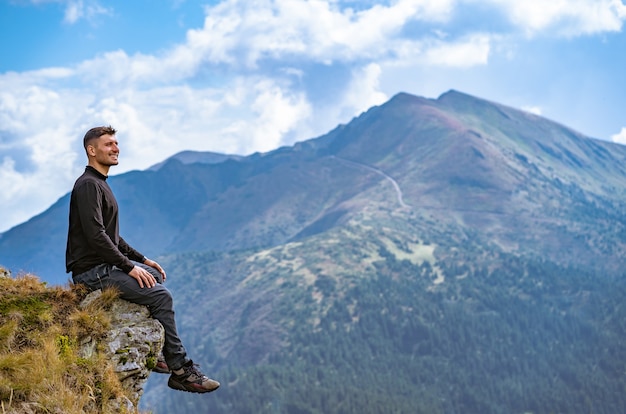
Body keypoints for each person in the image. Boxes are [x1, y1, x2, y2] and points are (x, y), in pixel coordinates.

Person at [66, 125, 219, 394]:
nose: (116, 149)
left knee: (155, 278)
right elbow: (96, 236)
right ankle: (181, 370)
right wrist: (129, 267)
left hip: (101, 266)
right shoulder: (88, 185)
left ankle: (160, 354)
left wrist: (143, 260)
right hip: (91, 272)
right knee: (162, 296)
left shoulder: (100, 184)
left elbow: (112, 236)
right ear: (91, 151)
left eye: (116, 143)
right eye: (108, 145)